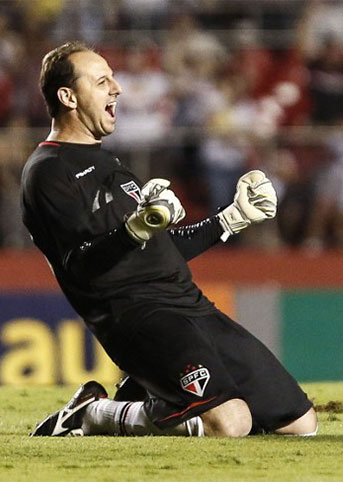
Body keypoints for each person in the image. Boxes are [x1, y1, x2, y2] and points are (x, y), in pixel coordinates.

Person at [21, 42, 317, 438]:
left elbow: (156, 248)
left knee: (299, 423)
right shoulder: (47, 171)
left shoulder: (108, 161)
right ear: (68, 96)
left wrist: (232, 218)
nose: (117, 88)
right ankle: (93, 415)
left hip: (188, 304)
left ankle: (144, 393)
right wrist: (137, 228)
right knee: (230, 423)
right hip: (137, 316)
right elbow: (80, 265)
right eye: (102, 80)